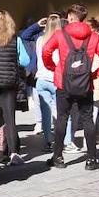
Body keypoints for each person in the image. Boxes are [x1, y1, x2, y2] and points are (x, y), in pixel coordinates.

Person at [41, 4, 99, 170]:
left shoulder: (60, 35)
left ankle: (58, 157)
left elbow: (46, 50)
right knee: (88, 119)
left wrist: (53, 67)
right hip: (85, 84)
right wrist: (97, 74)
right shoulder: (94, 36)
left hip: (63, 83)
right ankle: (91, 159)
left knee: (62, 119)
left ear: (71, 17)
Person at [0, 11, 24, 166]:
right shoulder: (15, 40)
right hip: (9, 84)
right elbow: (24, 60)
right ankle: (14, 152)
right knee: (10, 119)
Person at [34, 14, 63, 148]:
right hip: (55, 78)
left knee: (46, 112)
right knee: (58, 111)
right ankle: (60, 139)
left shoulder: (40, 40)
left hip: (41, 78)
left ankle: (48, 140)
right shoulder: (60, 40)